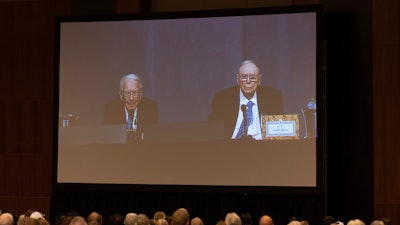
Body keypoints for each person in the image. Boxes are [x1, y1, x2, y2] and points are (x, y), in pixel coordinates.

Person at [208, 60, 283, 140]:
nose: (248, 81)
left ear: (259, 80)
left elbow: (280, 125)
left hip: (263, 147)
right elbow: (213, 129)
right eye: (244, 77)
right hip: (231, 147)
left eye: (253, 78)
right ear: (238, 79)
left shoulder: (272, 97)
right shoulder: (223, 98)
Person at [103, 74, 159, 141]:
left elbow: (154, 137)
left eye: (135, 93)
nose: (131, 98)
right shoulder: (111, 108)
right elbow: (107, 136)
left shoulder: (150, 107)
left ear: (140, 94)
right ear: (121, 94)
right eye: (127, 93)